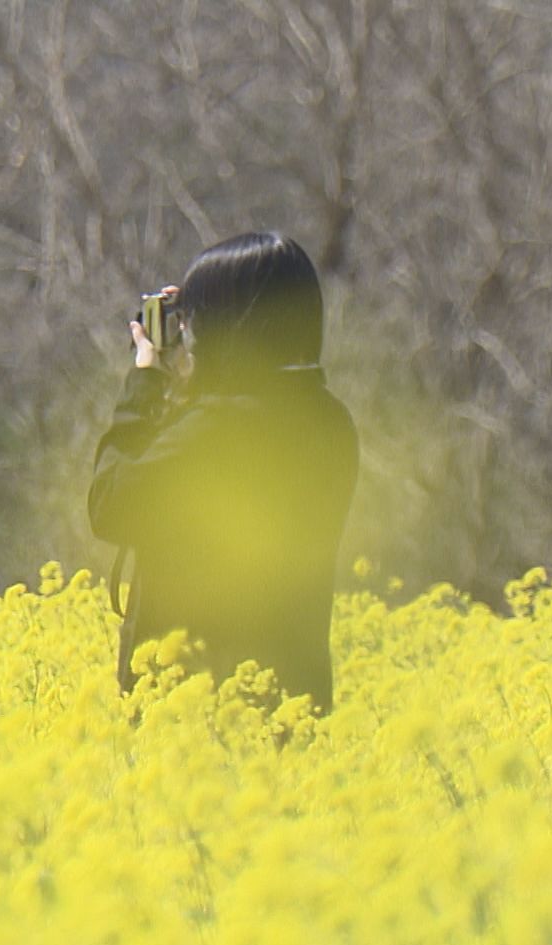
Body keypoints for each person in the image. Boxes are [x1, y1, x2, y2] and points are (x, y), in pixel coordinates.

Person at [89, 232, 358, 708]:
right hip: (294, 703)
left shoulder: (216, 427)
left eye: (194, 320)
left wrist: (147, 383)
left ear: (226, 326)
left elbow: (110, 504)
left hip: (197, 713)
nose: (186, 333)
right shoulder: (330, 420)